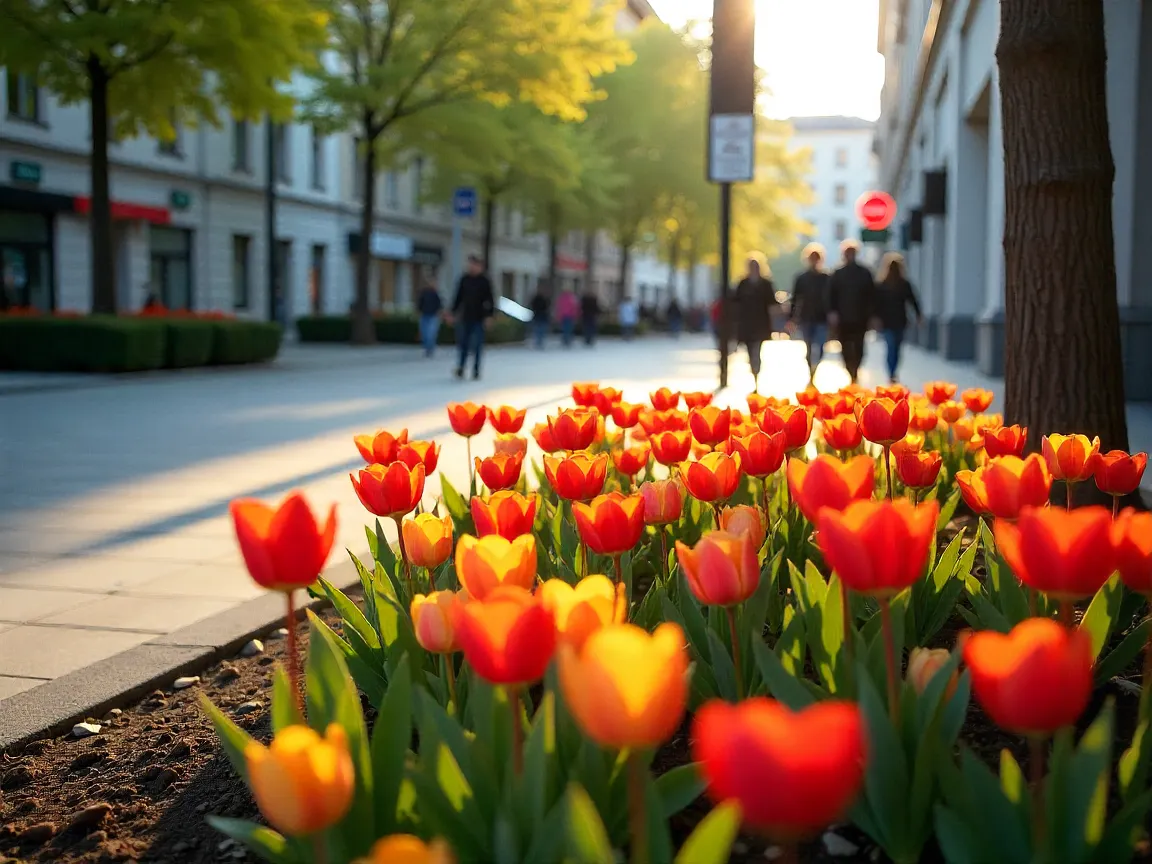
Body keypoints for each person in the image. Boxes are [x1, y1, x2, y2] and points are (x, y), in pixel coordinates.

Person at [827, 240, 876, 385]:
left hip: (861, 317)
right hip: (843, 318)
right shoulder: (837, 274)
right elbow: (830, 295)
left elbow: (872, 295)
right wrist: (832, 312)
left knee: (859, 346)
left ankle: (856, 368)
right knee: (845, 346)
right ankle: (850, 370)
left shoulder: (865, 273)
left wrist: (872, 314)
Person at [873, 252, 923, 383]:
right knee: (893, 347)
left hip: (894, 321)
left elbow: (912, 300)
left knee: (894, 347)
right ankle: (892, 372)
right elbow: (913, 301)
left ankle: (892, 372)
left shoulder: (900, 284)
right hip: (894, 321)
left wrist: (918, 315)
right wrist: (918, 315)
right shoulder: (885, 285)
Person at [733, 255, 780, 394]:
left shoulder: (766, 284)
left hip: (760, 323)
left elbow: (772, 304)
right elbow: (736, 303)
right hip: (746, 324)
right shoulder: (743, 284)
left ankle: (756, 374)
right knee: (750, 351)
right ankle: (754, 373)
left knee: (756, 351)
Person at [789, 242, 832, 383]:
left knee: (820, 345)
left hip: (821, 317)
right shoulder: (801, 278)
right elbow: (795, 299)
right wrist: (792, 318)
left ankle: (815, 366)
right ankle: (810, 370)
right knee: (808, 345)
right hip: (806, 317)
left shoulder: (827, 278)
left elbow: (832, 297)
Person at [450, 254, 494, 380]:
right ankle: (461, 367)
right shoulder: (464, 279)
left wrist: (489, 316)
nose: (472, 267)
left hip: (480, 317)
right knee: (463, 344)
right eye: (470, 265)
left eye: (474, 265)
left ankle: (476, 369)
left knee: (478, 345)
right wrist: (453, 312)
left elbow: (490, 299)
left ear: (480, 266)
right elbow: (458, 297)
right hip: (466, 316)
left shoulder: (484, 281)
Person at [416, 278, 443, 358]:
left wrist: (439, 313)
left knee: (431, 333)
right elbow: (419, 304)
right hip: (425, 315)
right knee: (425, 333)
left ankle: (430, 348)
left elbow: (439, 305)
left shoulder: (436, 294)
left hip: (433, 316)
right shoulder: (423, 294)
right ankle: (427, 347)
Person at [530, 283, 551, 350]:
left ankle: (539, 341)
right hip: (540, 315)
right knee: (540, 329)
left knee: (539, 329)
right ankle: (539, 341)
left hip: (539, 315)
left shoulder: (538, 298)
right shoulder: (542, 299)